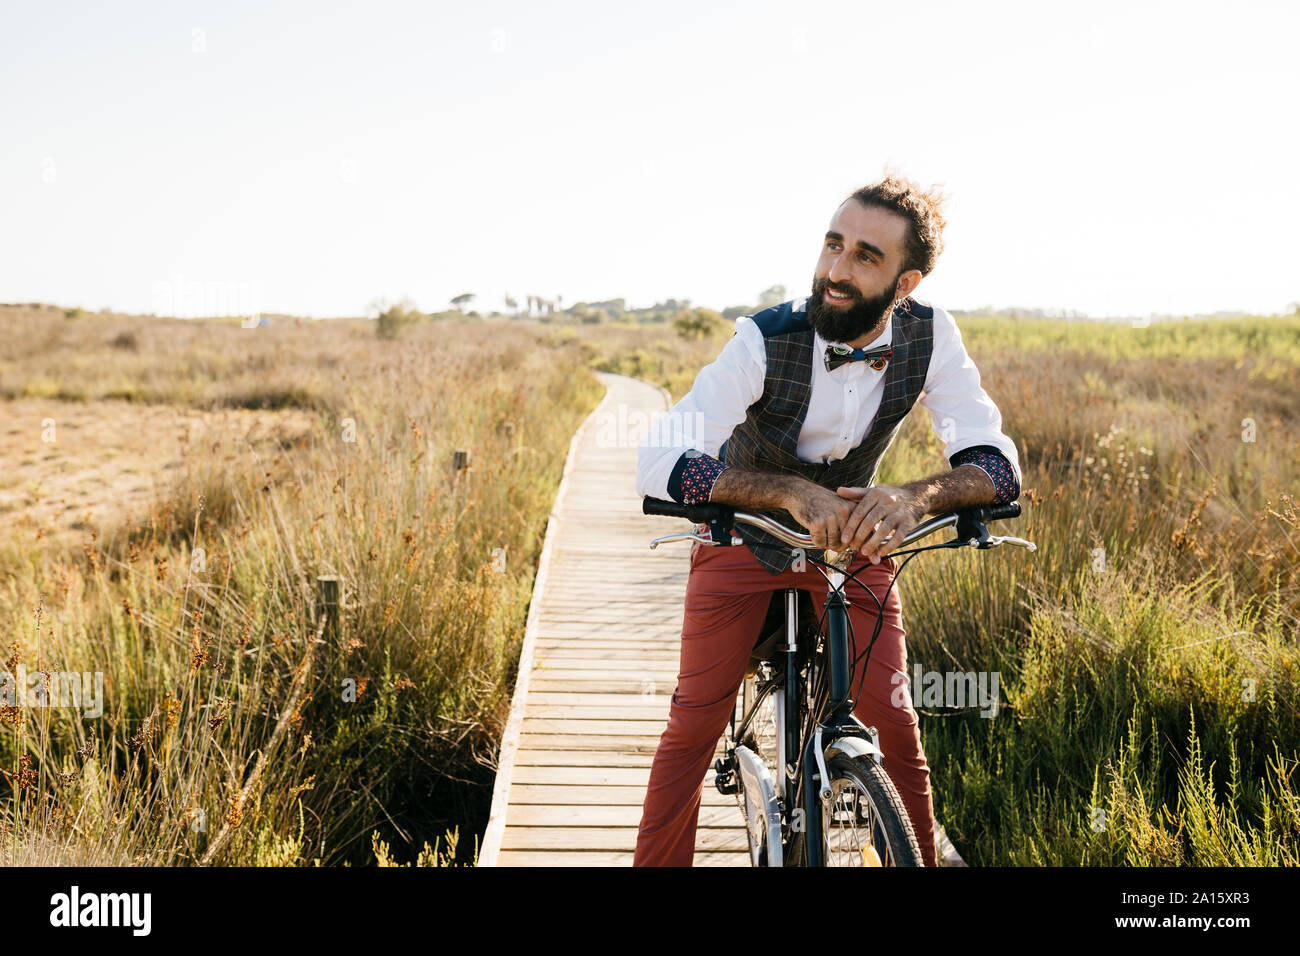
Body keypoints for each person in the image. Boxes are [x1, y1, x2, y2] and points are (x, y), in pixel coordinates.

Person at [632, 172, 1022, 866]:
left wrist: (915, 497)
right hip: (744, 537)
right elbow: (659, 455)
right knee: (693, 728)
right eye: (833, 244)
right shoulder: (763, 338)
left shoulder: (931, 338)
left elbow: (996, 465)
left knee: (897, 728)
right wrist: (782, 491)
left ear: (906, 284)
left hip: (855, 547)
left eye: (865, 256)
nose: (836, 270)